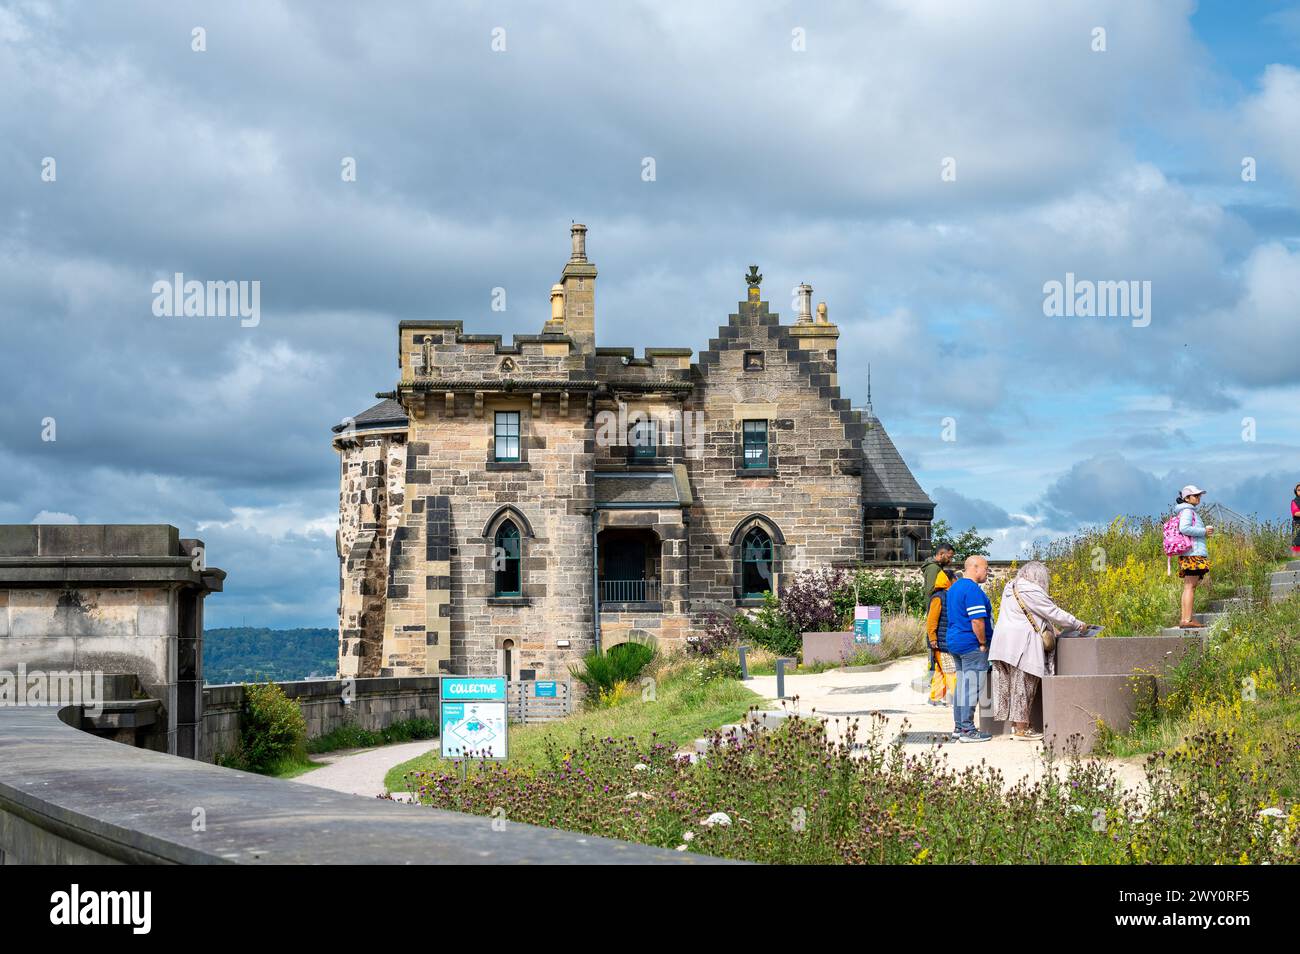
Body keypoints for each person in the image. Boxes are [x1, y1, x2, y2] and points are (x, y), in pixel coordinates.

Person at [990, 561, 1088, 741]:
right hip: (1020, 644)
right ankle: (1022, 729)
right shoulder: (1031, 590)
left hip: (1001, 643)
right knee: (1023, 686)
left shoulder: (1010, 587)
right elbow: (1053, 612)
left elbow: (1032, 614)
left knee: (1008, 685)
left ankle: (1015, 726)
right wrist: (1077, 623)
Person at [944, 555, 994, 742]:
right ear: (974, 567)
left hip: (955, 642)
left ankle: (959, 726)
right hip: (971, 643)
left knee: (962, 686)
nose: (987, 572)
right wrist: (982, 643)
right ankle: (967, 730)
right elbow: (977, 620)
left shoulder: (954, 587)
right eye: (986, 568)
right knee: (972, 686)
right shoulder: (972, 590)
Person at [1174, 484, 1213, 629]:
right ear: (1186, 498)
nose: (1198, 498)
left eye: (1199, 495)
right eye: (1195, 496)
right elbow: (1184, 528)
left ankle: (1185, 619)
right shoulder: (1188, 511)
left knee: (1188, 586)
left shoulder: (1186, 511)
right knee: (1191, 586)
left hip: (1189, 554)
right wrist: (1204, 531)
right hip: (1193, 554)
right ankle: (1187, 619)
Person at [925, 565, 957, 705]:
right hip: (941, 642)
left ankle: (935, 698)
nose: (957, 580)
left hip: (945, 640)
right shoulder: (938, 597)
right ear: (948, 580)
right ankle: (958, 698)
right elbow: (931, 620)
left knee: (941, 669)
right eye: (955, 578)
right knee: (950, 670)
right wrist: (932, 639)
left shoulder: (949, 595)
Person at [1291, 484, 1300, 555]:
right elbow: (1295, 513)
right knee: (1296, 544)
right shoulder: (1294, 501)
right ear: (1296, 491)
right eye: (1299, 490)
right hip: (1297, 525)